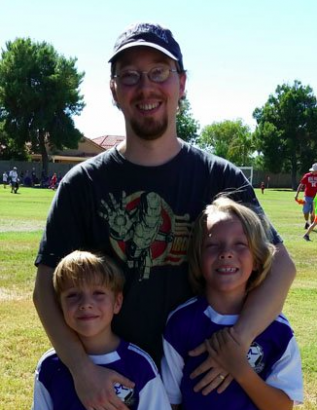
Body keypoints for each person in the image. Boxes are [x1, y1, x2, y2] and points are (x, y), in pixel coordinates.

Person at [33, 22, 296, 410]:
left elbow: (281, 267)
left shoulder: (219, 177)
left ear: (182, 84)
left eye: (159, 72)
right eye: (130, 75)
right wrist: (81, 370)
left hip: (199, 384)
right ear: (113, 90)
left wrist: (236, 343)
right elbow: (44, 290)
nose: (146, 87)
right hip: (116, 385)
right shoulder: (83, 184)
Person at [161, 197, 303, 409]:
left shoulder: (277, 329)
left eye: (240, 244)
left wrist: (240, 369)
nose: (226, 253)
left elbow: (283, 406)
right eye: (213, 245)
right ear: (198, 257)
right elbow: (170, 402)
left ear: (257, 259)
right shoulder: (181, 323)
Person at [32, 250, 171, 410]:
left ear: (117, 303)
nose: (86, 303)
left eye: (98, 293)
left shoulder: (140, 365)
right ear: (60, 306)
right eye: (72, 295)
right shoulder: (49, 366)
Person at [294, 162, 317, 229]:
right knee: (305, 211)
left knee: (313, 212)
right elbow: (301, 185)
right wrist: (296, 195)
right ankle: (307, 222)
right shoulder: (307, 176)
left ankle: (311, 225)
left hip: (315, 197)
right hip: (307, 196)